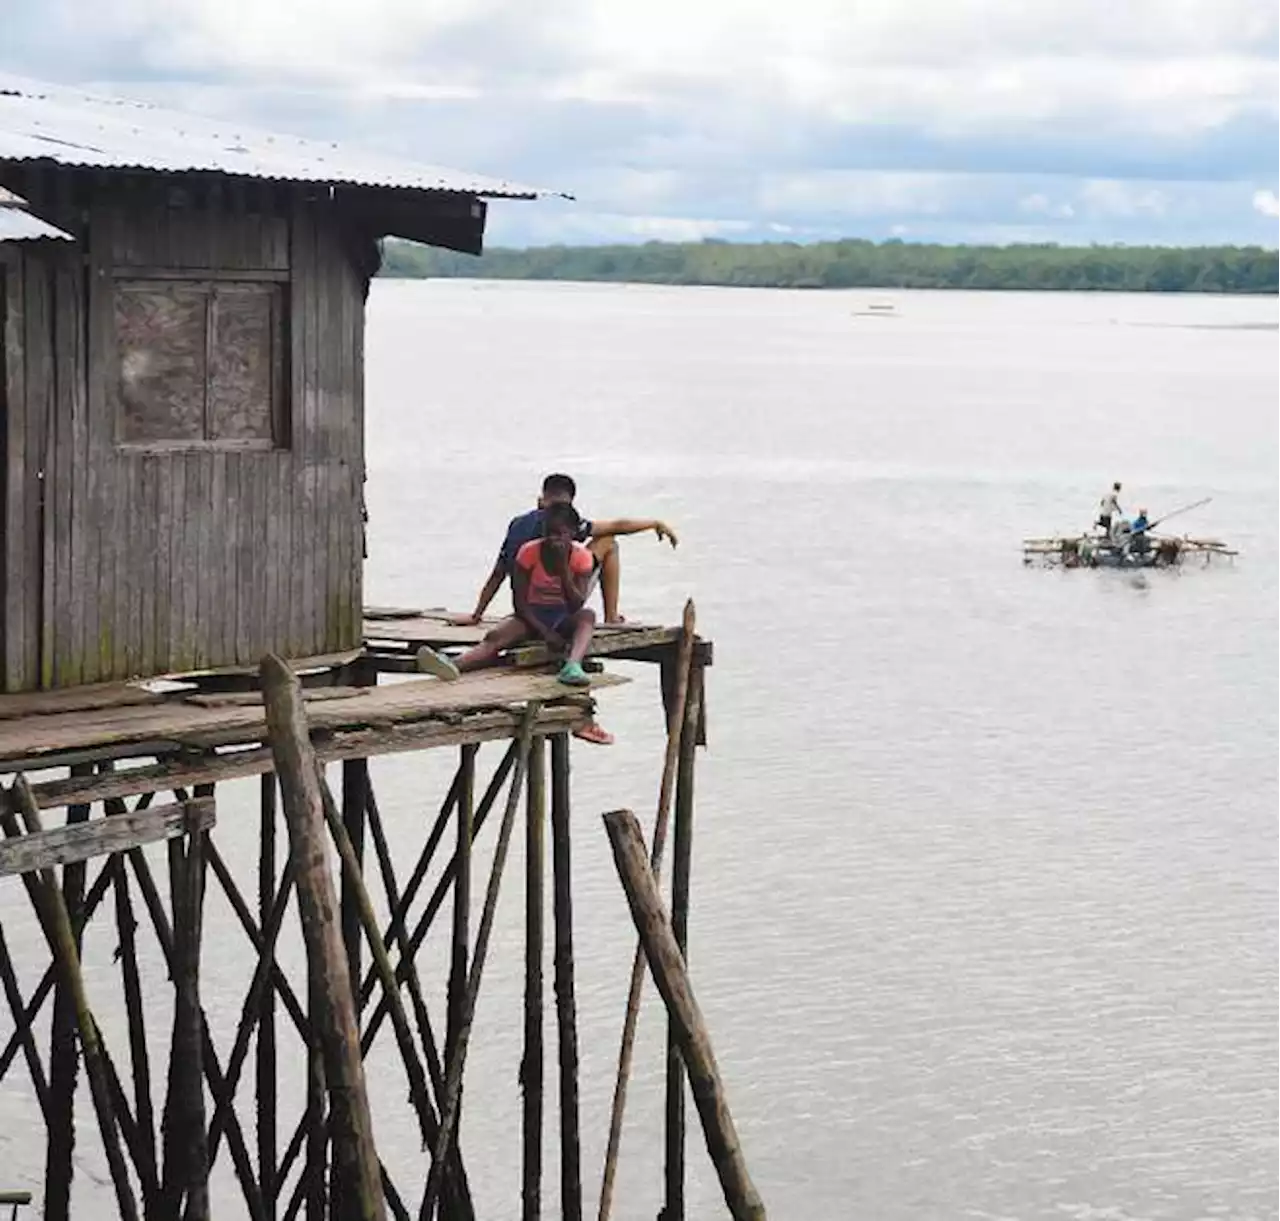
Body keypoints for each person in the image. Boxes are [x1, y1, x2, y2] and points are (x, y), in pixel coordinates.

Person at [417, 502, 599, 688]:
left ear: (573, 533)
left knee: (588, 616)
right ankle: (453, 664)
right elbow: (519, 603)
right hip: (531, 616)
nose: (553, 539)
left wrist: (563, 571)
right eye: (548, 533)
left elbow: (576, 604)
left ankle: (573, 665)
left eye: (559, 534)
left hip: (563, 616)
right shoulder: (529, 552)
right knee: (495, 636)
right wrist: (545, 633)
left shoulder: (582, 557)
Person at [460, 473, 678, 627]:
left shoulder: (517, 524)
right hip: (557, 600)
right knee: (609, 542)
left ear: (540, 500)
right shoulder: (563, 525)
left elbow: (498, 572)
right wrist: (654, 523)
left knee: (602, 539)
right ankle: (611, 617)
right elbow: (615, 527)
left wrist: (477, 614)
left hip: (527, 605)